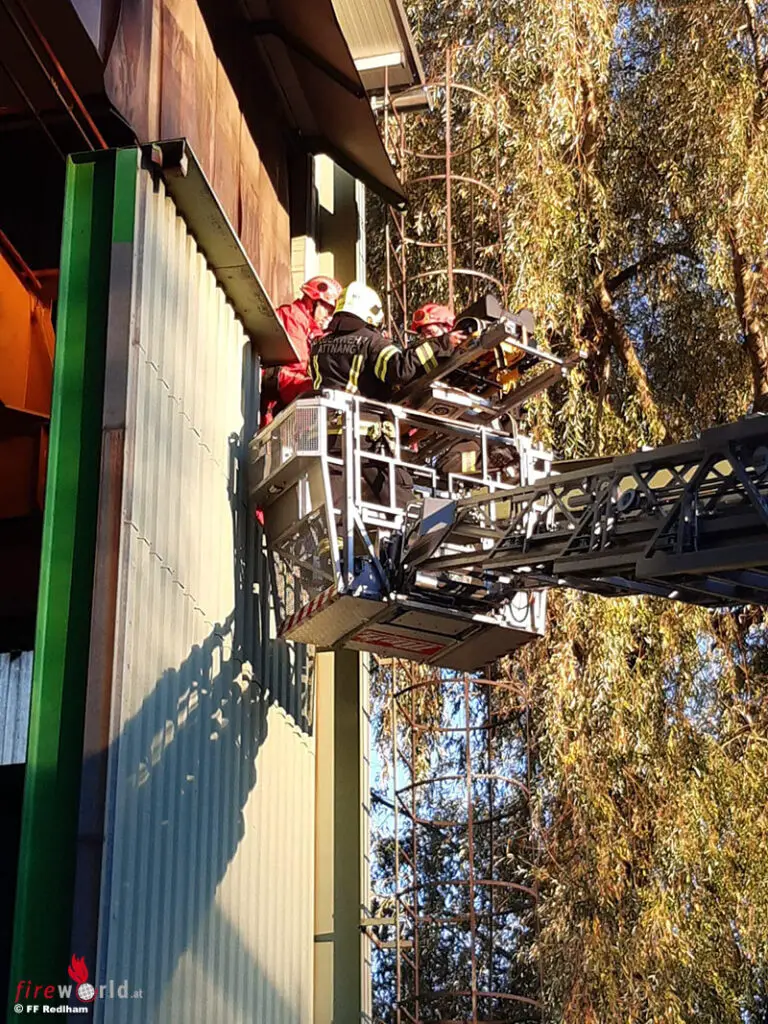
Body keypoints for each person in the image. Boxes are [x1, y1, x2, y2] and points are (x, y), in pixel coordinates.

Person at [310, 282, 467, 507]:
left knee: (336, 508)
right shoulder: (371, 341)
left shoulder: (319, 346)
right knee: (400, 496)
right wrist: (442, 344)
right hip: (363, 437)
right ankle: (417, 527)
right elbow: (399, 369)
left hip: (327, 437)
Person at [260, 275, 342, 424]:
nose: (328, 317)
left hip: (279, 396)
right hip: (271, 395)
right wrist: (315, 388)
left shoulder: (311, 327)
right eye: (327, 310)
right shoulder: (293, 317)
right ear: (312, 301)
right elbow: (294, 367)